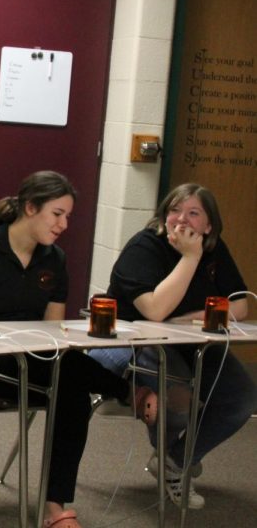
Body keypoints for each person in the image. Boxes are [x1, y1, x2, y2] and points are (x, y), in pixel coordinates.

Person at [0, 171, 155, 528]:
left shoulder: (54, 259)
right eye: (57, 214)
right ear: (30, 207)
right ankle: (127, 392)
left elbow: (53, 330)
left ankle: (55, 508)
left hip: (38, 364)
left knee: (70, 385)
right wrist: (19, 335)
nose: (64, 224)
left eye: (68, 216)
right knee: (70, 377)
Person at [89, 183, 256, 509]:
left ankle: (174, 462)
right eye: (175, 211)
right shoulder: (145, 247)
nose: (182, 220)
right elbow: (155, 311)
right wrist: (190, 257)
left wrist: (187, 319)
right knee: (178, 398)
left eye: (193, 214)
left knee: (240, 398)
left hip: (188, 344)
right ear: (163, 216)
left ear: (208, 226)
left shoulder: (214, 249)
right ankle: (175, 467)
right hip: (129, 343)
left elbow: (239, 306)